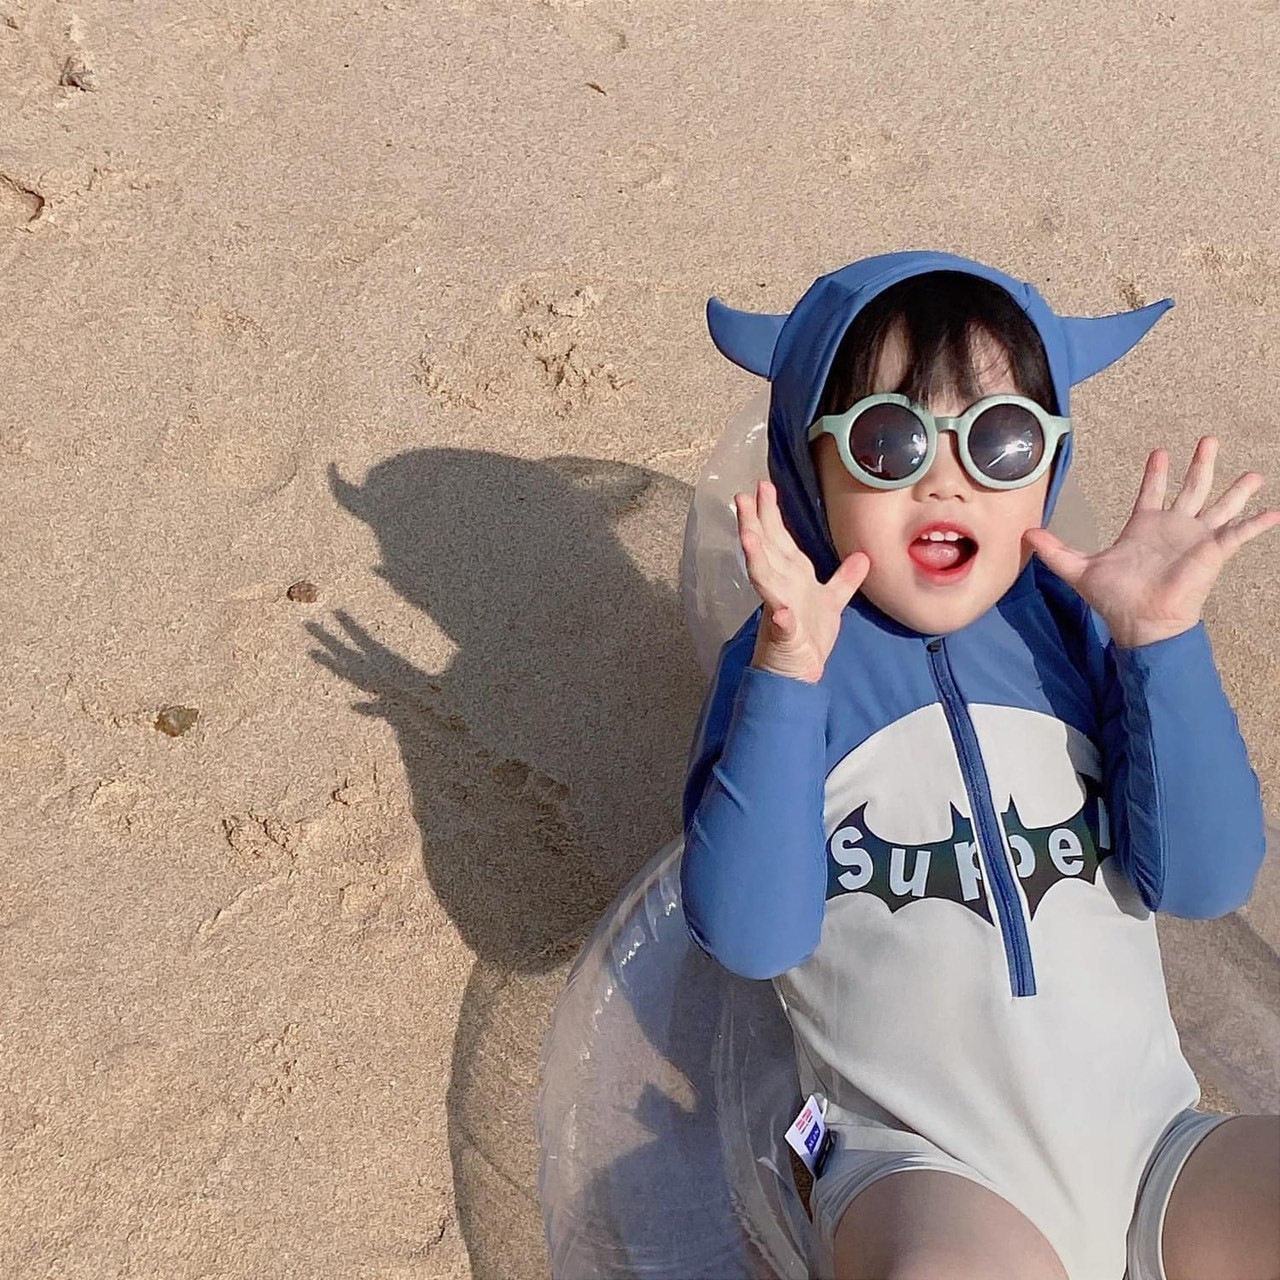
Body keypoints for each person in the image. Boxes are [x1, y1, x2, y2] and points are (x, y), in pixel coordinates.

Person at [680, 251, 1280, 1280]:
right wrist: (788, 673)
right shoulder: (783, 667)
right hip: (915, 1165)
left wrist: (1159, 641)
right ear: (807, 466)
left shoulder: (1076, 636)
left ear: (1048, 464)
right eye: (888, 440)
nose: (944, 478)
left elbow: (1206, 877)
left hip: (1151, 1147)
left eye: (1000, 439)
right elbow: (749, 933)